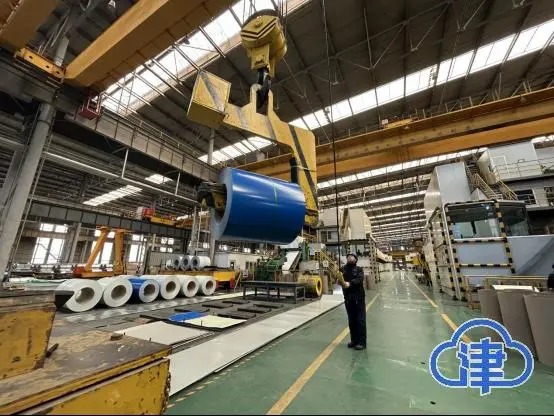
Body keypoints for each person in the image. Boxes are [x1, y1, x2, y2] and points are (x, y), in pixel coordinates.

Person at [340, 253, 366, 350]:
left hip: (358, 298)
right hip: (348, 298)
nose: (350, 257)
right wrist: (338, 281)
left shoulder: (359, 269)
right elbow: (338, 277)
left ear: (356, 259)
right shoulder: (343, 269)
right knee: (351, 320)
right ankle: (354, 340)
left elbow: (360, 279)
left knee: (360, 320)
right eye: (348, 256)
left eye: (352, 256)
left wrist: (350, 283)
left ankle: (361, 342)